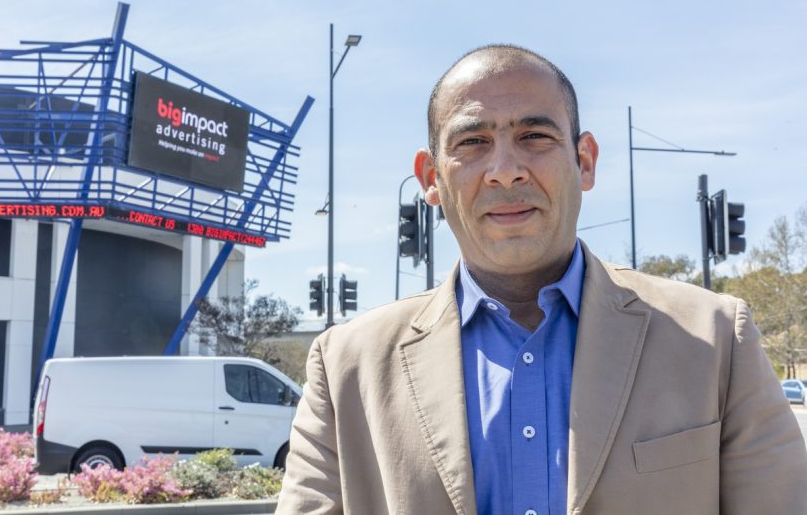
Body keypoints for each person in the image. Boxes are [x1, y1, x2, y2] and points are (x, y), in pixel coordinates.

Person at [277, 45, 807, 515]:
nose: (505, 170)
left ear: (585, 161)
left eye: (534, 136)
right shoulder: (346, 367)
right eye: (472, 142)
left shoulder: (715, 340)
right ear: (431, 180)